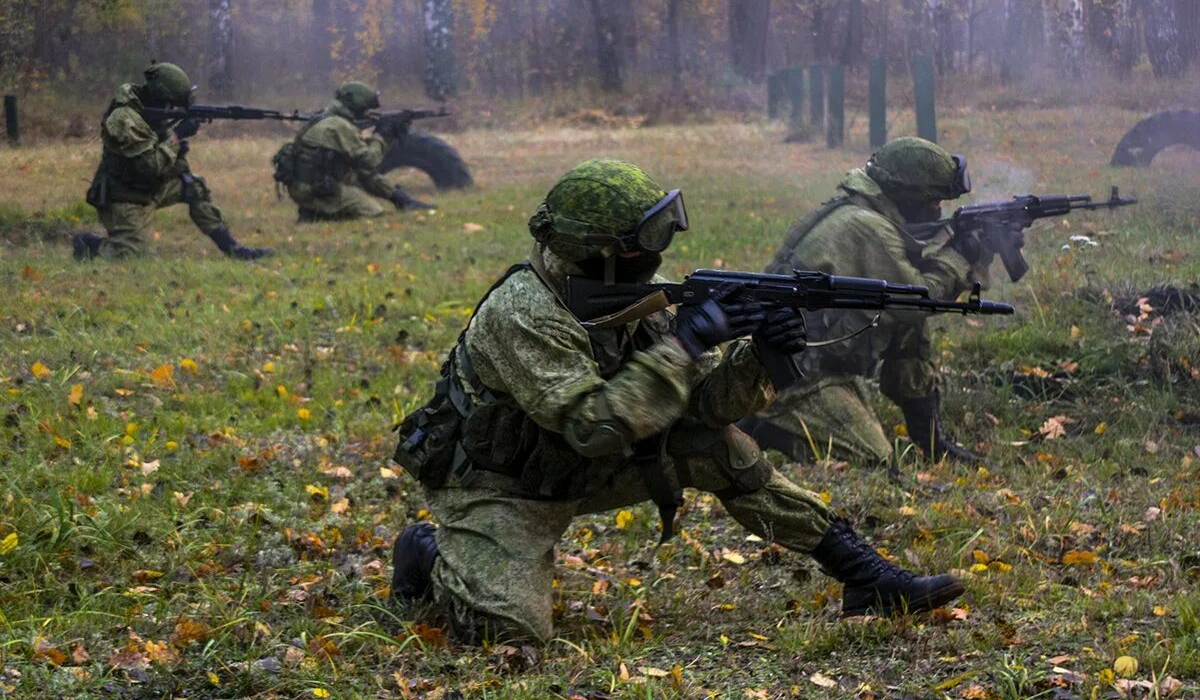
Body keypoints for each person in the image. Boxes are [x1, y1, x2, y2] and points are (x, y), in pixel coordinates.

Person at [388, 157, 966, 645]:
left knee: (716, 446)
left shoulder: (628, 297)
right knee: (508, 633)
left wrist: (756, 356)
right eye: (650, 238)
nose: (660, 252)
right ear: (603, 251)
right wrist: (685, 343)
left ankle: (864, 574)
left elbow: (702, 409)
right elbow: (594, 426)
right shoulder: (524, 314)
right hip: (502, 487)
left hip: (578, 467)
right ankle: (428, 552)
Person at [739, 137, 994, 468]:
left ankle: (932, 441)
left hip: (816, 359)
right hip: (794, 377)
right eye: (932, 201)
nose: (937, 209)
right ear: (905, 195)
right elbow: (917, 298)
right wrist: (959, 257)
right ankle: (765, 426)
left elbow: (905, 303)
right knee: (875, 458)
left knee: (906, 323)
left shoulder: (863, 212)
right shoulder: (867, 227)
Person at [72, 63, 273, 261]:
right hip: (124, 196)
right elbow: (150, 166)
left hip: (150, 188)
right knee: (134, 255)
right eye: (173, 104)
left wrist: (178, 153)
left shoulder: (152, 112)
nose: (174, 109)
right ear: (163, 99)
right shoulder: (125, 119)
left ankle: (233, 249)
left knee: (193, 186)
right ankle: (89, 243)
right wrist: (176, 137)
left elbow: (167, 160)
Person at [274, 81, 434, 222]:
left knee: (364, 172)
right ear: (357, 107)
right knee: (374, 213)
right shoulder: (339, 126)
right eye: (366, 110)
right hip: (316, 189)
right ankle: (317, 213)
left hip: (311, 184)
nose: (368, 114)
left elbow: (363, 166)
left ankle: (403, 201)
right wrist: (382, 137)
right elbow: (370, 159)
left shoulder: (326, 117)